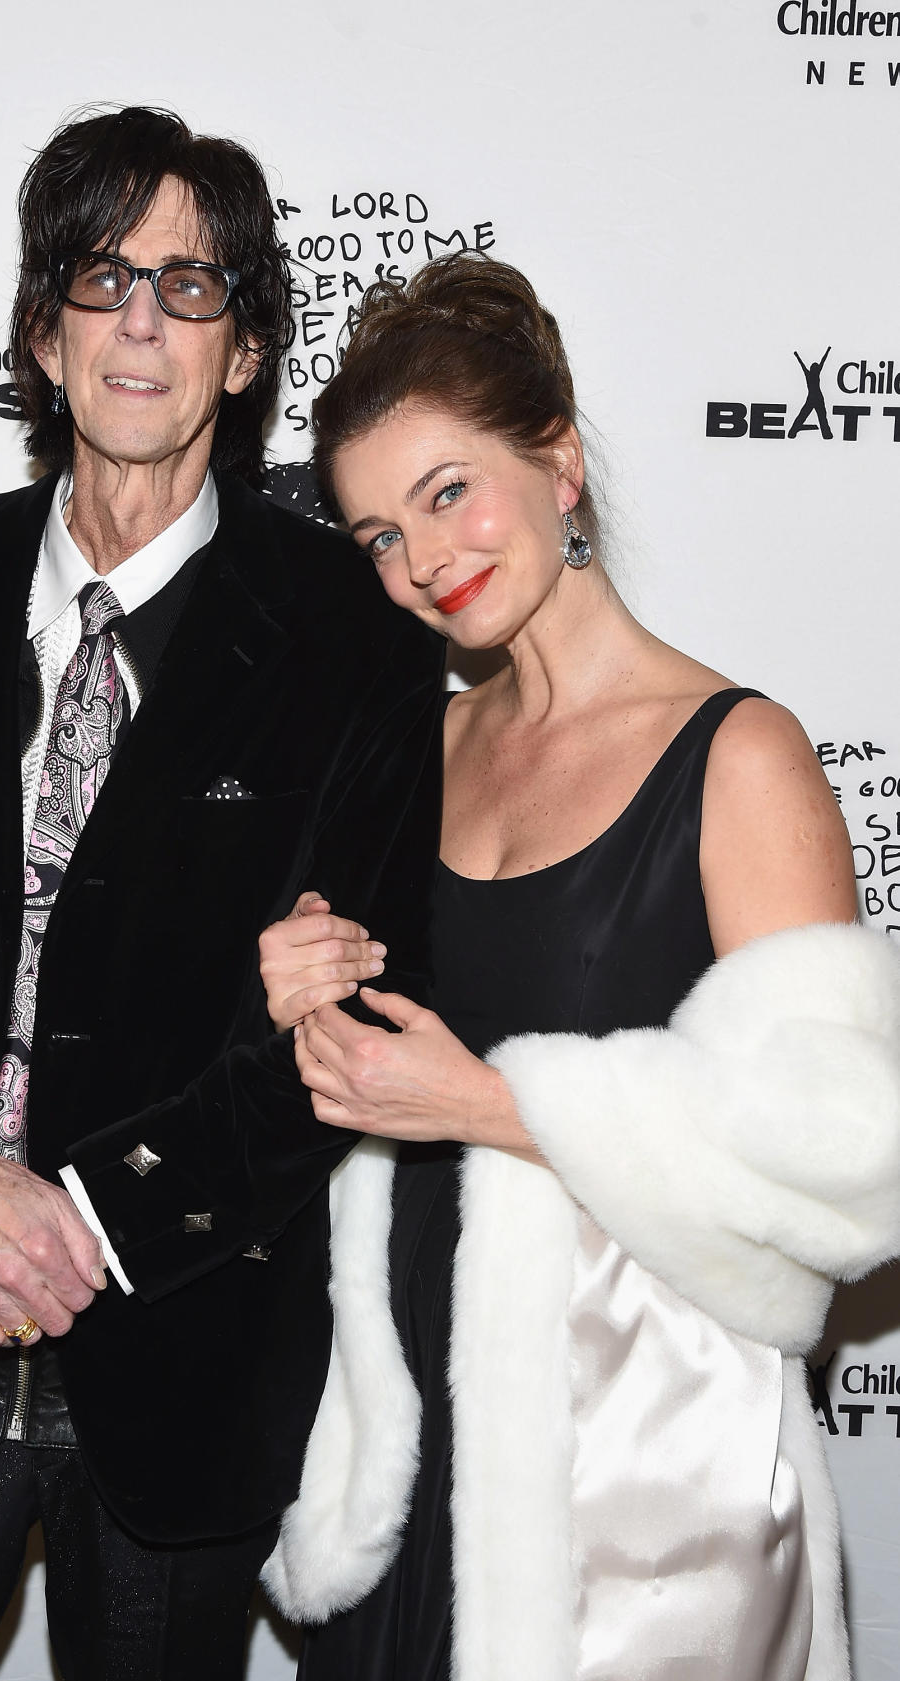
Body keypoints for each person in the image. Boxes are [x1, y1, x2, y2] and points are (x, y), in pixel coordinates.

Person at [0, 106, 445, 1681]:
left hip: (183, 1348)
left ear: (246, 348)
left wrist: (64, 1229)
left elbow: (351, 1021)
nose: (140, 321)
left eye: (191, 287)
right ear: (40, 329)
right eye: (102, 276)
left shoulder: (357, 639)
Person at [253, 252, 900, 1680]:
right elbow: (366, 1068)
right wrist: (306, 990)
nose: (421, 562)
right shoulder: (411, 753)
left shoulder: (736, 753)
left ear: (556, 466)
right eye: (374, 534)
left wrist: (494, 1105)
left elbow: (851, 1157)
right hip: (402, 1427)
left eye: (446, 493)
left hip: (640, 1476)